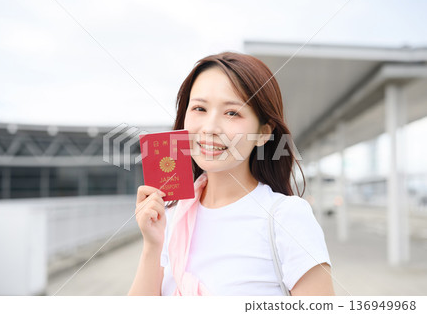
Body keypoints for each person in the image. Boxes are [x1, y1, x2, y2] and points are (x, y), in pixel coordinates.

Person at [128, 52, 334, 296]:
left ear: (263, 133)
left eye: (232, 113)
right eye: (199, 108)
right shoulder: (172, 216)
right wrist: (152, 246)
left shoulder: (287, 218)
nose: (210, 128)